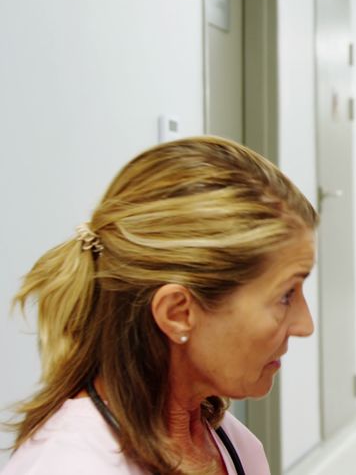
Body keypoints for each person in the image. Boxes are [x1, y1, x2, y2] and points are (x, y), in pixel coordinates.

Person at [3, 136, 317, 475]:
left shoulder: (235, 447)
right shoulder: (68, 465)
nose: (305, 325)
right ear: (178, 314)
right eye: (286, 295)